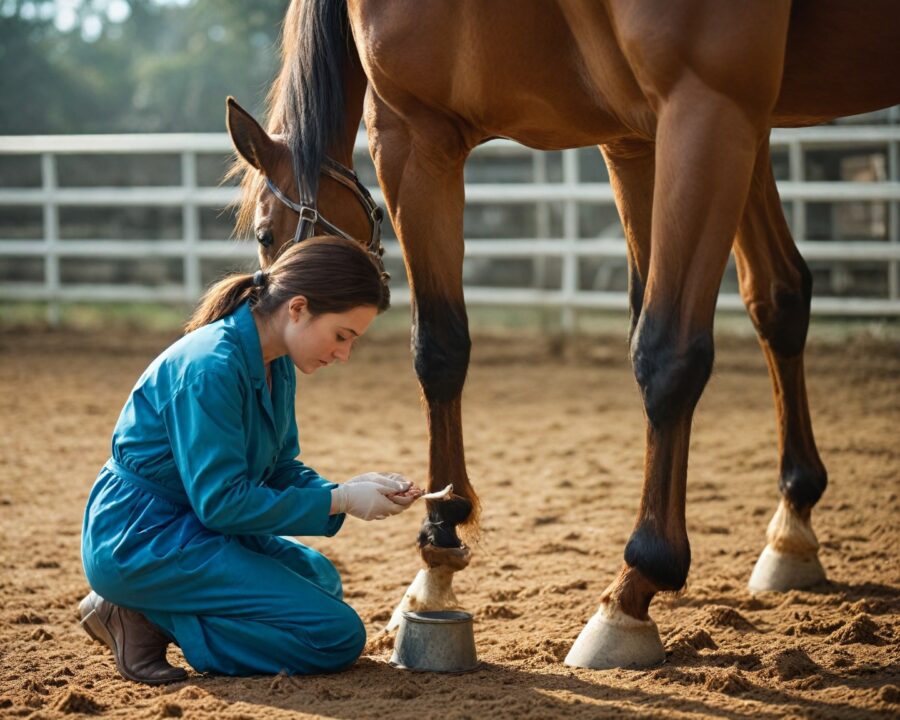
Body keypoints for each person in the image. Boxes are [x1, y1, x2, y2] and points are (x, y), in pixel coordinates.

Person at [80, 235, 422, 684]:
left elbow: (280, 468)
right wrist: (340, 500)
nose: (343, 355)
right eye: (342, 336)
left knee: (320, 580)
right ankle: (146, 617)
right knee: (334, 636)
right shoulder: (211, 367)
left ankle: (151, 605)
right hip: (143, 538)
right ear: (297, 308)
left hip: (196, 525)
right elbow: (222, 504)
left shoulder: (275, 358)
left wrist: (354, 488)